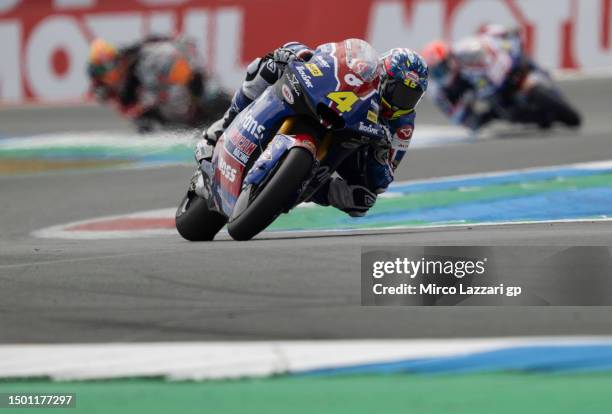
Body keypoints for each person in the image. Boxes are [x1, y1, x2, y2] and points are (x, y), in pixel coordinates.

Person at [195, 40, 428, 217]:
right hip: (329, 105)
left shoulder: (403, 126)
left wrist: (379, 154)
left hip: (353, 143)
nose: (402, 101)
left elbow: (384, 178)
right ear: (384, 78)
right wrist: (302, 55)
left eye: (411, 97)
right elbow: (330, 57)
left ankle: (302, 185)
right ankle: (222, 128)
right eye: (400, 92)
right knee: (271, 64)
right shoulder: (365, 72)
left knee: (363, 201)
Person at [87, 36, 224, 132]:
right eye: (98, 71)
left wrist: (191, 83)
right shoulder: (114, 90)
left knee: (207, 97)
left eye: (103, 69)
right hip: (171, 120)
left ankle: (209, 107)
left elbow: (181, 60)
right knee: (146, 123)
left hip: (192, 92)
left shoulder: (146, 59)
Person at [422, 27, 533, 131]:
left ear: (448, 57)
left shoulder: (463, 50)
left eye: (441, 68)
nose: (441, 73)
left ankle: (534, 69)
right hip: (485, 94)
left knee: (514, 48)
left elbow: (486, 44)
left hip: (495, 73)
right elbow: (455, 115)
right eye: (435, 72)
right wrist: (468, 105)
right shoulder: (438, 91)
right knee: (475, 123)